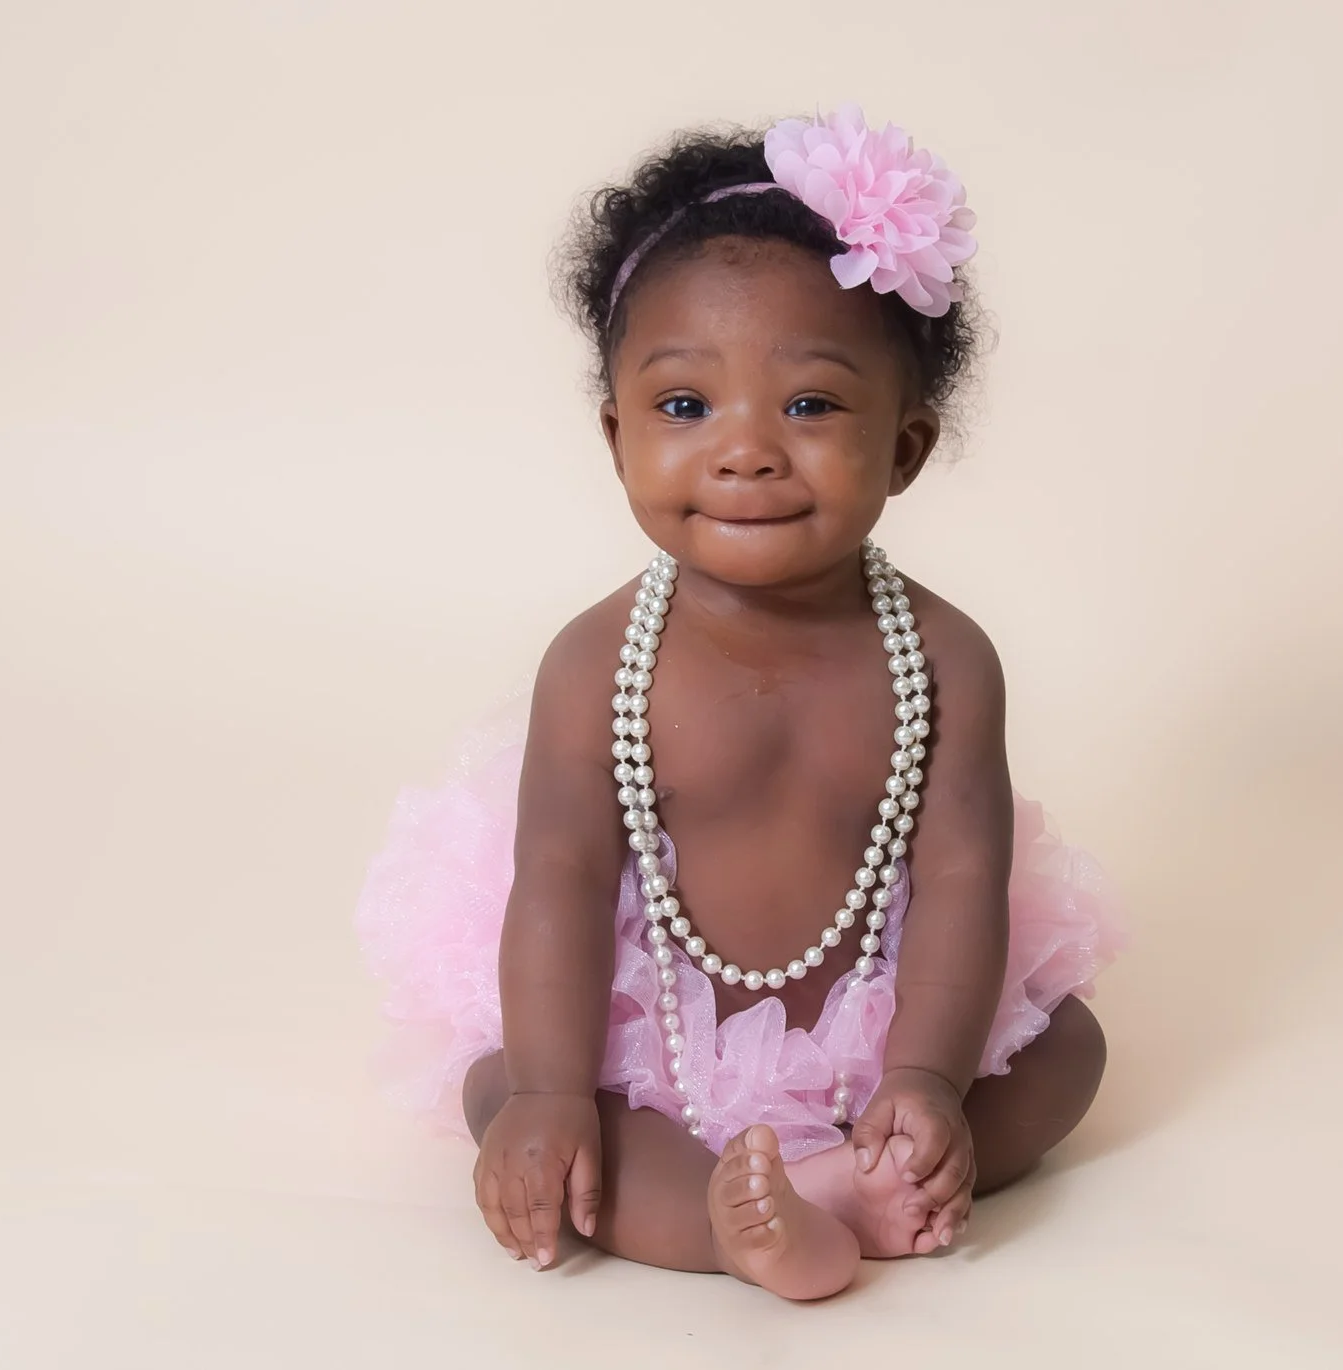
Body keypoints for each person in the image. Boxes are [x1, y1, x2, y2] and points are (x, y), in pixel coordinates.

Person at [358, 105, 1119, 1301]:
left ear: (905, 446)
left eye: (810, 406)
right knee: (506, 1093)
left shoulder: (942, 658)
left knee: (1066, 1051)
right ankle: (742, 1226)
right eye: (683, 407)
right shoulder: (598, 664)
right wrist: (552, 1091)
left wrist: (925, 1076)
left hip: (881, 1022)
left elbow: (960, 878)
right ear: (615, 435)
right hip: (656, 1028)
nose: (747, 450)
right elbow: (559, 875)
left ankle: (863, 1169)